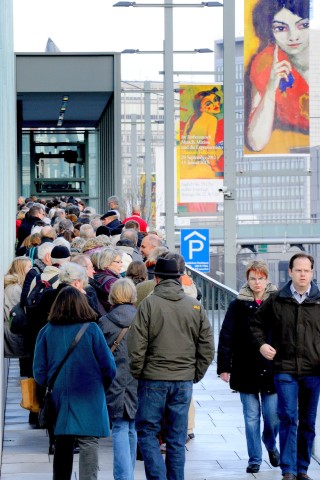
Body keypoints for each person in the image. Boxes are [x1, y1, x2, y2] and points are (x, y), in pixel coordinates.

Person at [128, 257, 214, 480]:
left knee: (147, 432)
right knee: (176, 437)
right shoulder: (194, 306)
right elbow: (207, 345)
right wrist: (196, 373)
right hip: (183, 379)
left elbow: (137, 344)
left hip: (153, 378)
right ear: (179, 279)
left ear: (156, 279)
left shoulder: (148, 304)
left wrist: (138, 371)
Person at [33, 286, 116, 480]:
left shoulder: (46, 331)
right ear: (82, 305)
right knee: (89, 441)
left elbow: (39, 371)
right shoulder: (92, 330)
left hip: (60, 395)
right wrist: (100, 386)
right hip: (90, 393)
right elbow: (109, 367)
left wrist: (53, 384)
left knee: (62, 441)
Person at [251, 253, 320, 480]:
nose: (302, 274)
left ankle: (302, 469)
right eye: (298, 270)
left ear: (312, 272)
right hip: (284, 369)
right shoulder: (277, 299)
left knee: (308, 422)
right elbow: (256, 324)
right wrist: (262, 345)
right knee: (288, 416)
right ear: (290, 272)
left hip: (313, 370)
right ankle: (288, 469)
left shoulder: (319, 300)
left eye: (306, 270)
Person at [217, 260, 279, 474]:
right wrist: (224, 366)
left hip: (272, 367)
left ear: (266, 279)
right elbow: (227, 335)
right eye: (253, 278)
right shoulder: (238, 305)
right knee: (251, 416)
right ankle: (255, 458)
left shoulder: (277, 302)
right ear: (247, 279)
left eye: (260, 278)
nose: (257, 282)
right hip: (245, 366)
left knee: (272, 416)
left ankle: (270, 444)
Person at [246, 0, 309, 153]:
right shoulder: (266, 63)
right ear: (271, 33)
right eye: (281, 28)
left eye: (303, 25)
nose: (294, 37)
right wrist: (271, 87)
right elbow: (256, 142)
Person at [98, 278, 138, 480]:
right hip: (138, 380)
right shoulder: (143, 319)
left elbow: (99, 356)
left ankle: (124, 477)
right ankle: (128, 472)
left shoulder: (104, 322)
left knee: (120, 426)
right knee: (131, 427)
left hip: (114, 380)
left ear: (112, 296)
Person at [180, 86, 224, 179]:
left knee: (220, 147)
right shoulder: (212, 119)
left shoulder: (193, 116)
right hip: (193, 166)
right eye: (209, 103)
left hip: (185, 161)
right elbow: (210, 146)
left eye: (216, 99)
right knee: (223, 145)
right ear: (201, 108)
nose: (216, 104)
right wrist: (214, 166)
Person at [4, 257, 32, 364]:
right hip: (16, 336)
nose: (32, 269)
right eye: (29, 267)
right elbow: (19, 316)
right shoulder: (15, 289)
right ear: (21, 269)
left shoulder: (17, 286)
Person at [93, 247, 122, 312]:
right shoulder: (112, 281)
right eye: (118, 262)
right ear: (107, 263)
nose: (121, 265)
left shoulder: (97, 274)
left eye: (121, 262)